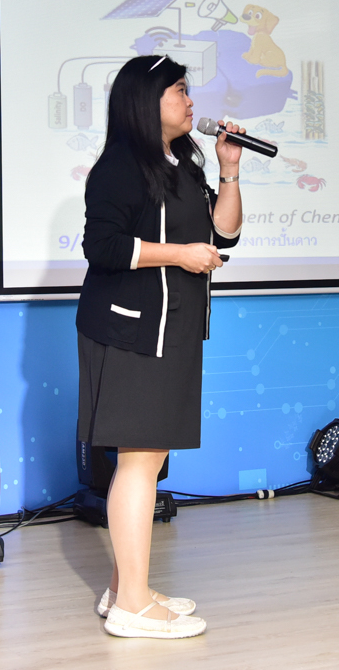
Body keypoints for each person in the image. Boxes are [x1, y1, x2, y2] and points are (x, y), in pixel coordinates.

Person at [76, 54, 245, 640]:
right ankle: (132, 606)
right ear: (146, 102)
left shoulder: (183, 164)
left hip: (173, 330)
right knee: (139, 460)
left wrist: (229, 169)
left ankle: (128, 590)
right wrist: (179, 255)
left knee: (147, 460)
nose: (190, 101)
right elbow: (102, 246)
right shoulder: (120, 166)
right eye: (179, 90)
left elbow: (224, 233)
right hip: (130, 330)